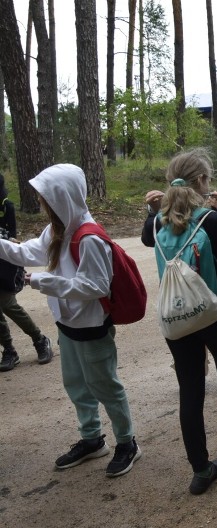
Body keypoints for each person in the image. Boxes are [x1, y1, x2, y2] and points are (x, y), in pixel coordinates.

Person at [0, 164, 139, 477]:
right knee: (77, 385)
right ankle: (92, 439)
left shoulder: (90, 238)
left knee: (105, 386)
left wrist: (44, 282)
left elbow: (96, 286)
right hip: (68, 327)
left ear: (60, 197)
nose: (39, 202)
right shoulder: (57, 230)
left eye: (44, 197)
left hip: (92, 329)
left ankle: (127, 442)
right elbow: (26, 252)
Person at [142, 149, 217, 495]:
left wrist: (153, 210)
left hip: (176, 316)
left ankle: (200, 469)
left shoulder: (158, 222)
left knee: (191, 389)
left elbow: (147, 239)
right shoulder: (211, 221)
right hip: (214, 311)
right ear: (202, 182)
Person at [0, 173, 53, 371]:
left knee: (8, 305)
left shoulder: (7, 206)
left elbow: (12, 239)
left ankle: (39, 339)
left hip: (4, 262)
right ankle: (9, 350)